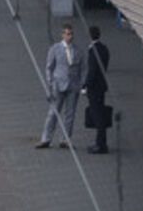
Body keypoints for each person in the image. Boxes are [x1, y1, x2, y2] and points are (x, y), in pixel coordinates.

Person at [36, 23, 83, 148]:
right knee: (53, 113)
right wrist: (50, 83)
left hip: (73, 86)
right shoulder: (55, 49)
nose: (70, 36)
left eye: (71, 34)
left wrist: (81, 84)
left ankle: (65, 139)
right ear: (62, 35)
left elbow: (82, 68)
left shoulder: (78, 51)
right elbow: (49, 67)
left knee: (70, 114)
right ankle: (46, 139)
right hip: (58, 85)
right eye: (67, 34)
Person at [82, 26, 111, 154]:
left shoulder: (93, 51)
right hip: (102, 86)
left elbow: (92, 71)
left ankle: (100, 144)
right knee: (100, 112)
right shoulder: (104, 49)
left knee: (97, 115)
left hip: (94, 88)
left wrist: (85, 85)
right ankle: (101, 142)